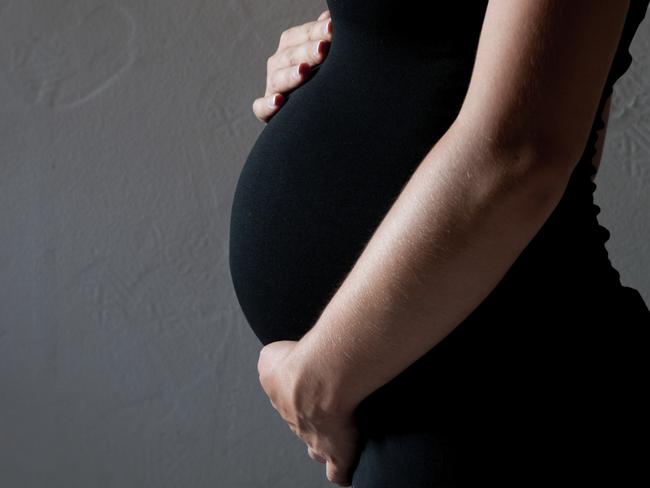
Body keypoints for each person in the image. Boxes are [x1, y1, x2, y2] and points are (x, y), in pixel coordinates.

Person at [230, 1, 650, 486]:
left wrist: (317, 382)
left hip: (507, 395)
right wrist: (344, 47)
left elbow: (523, 154)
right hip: (426, 400)